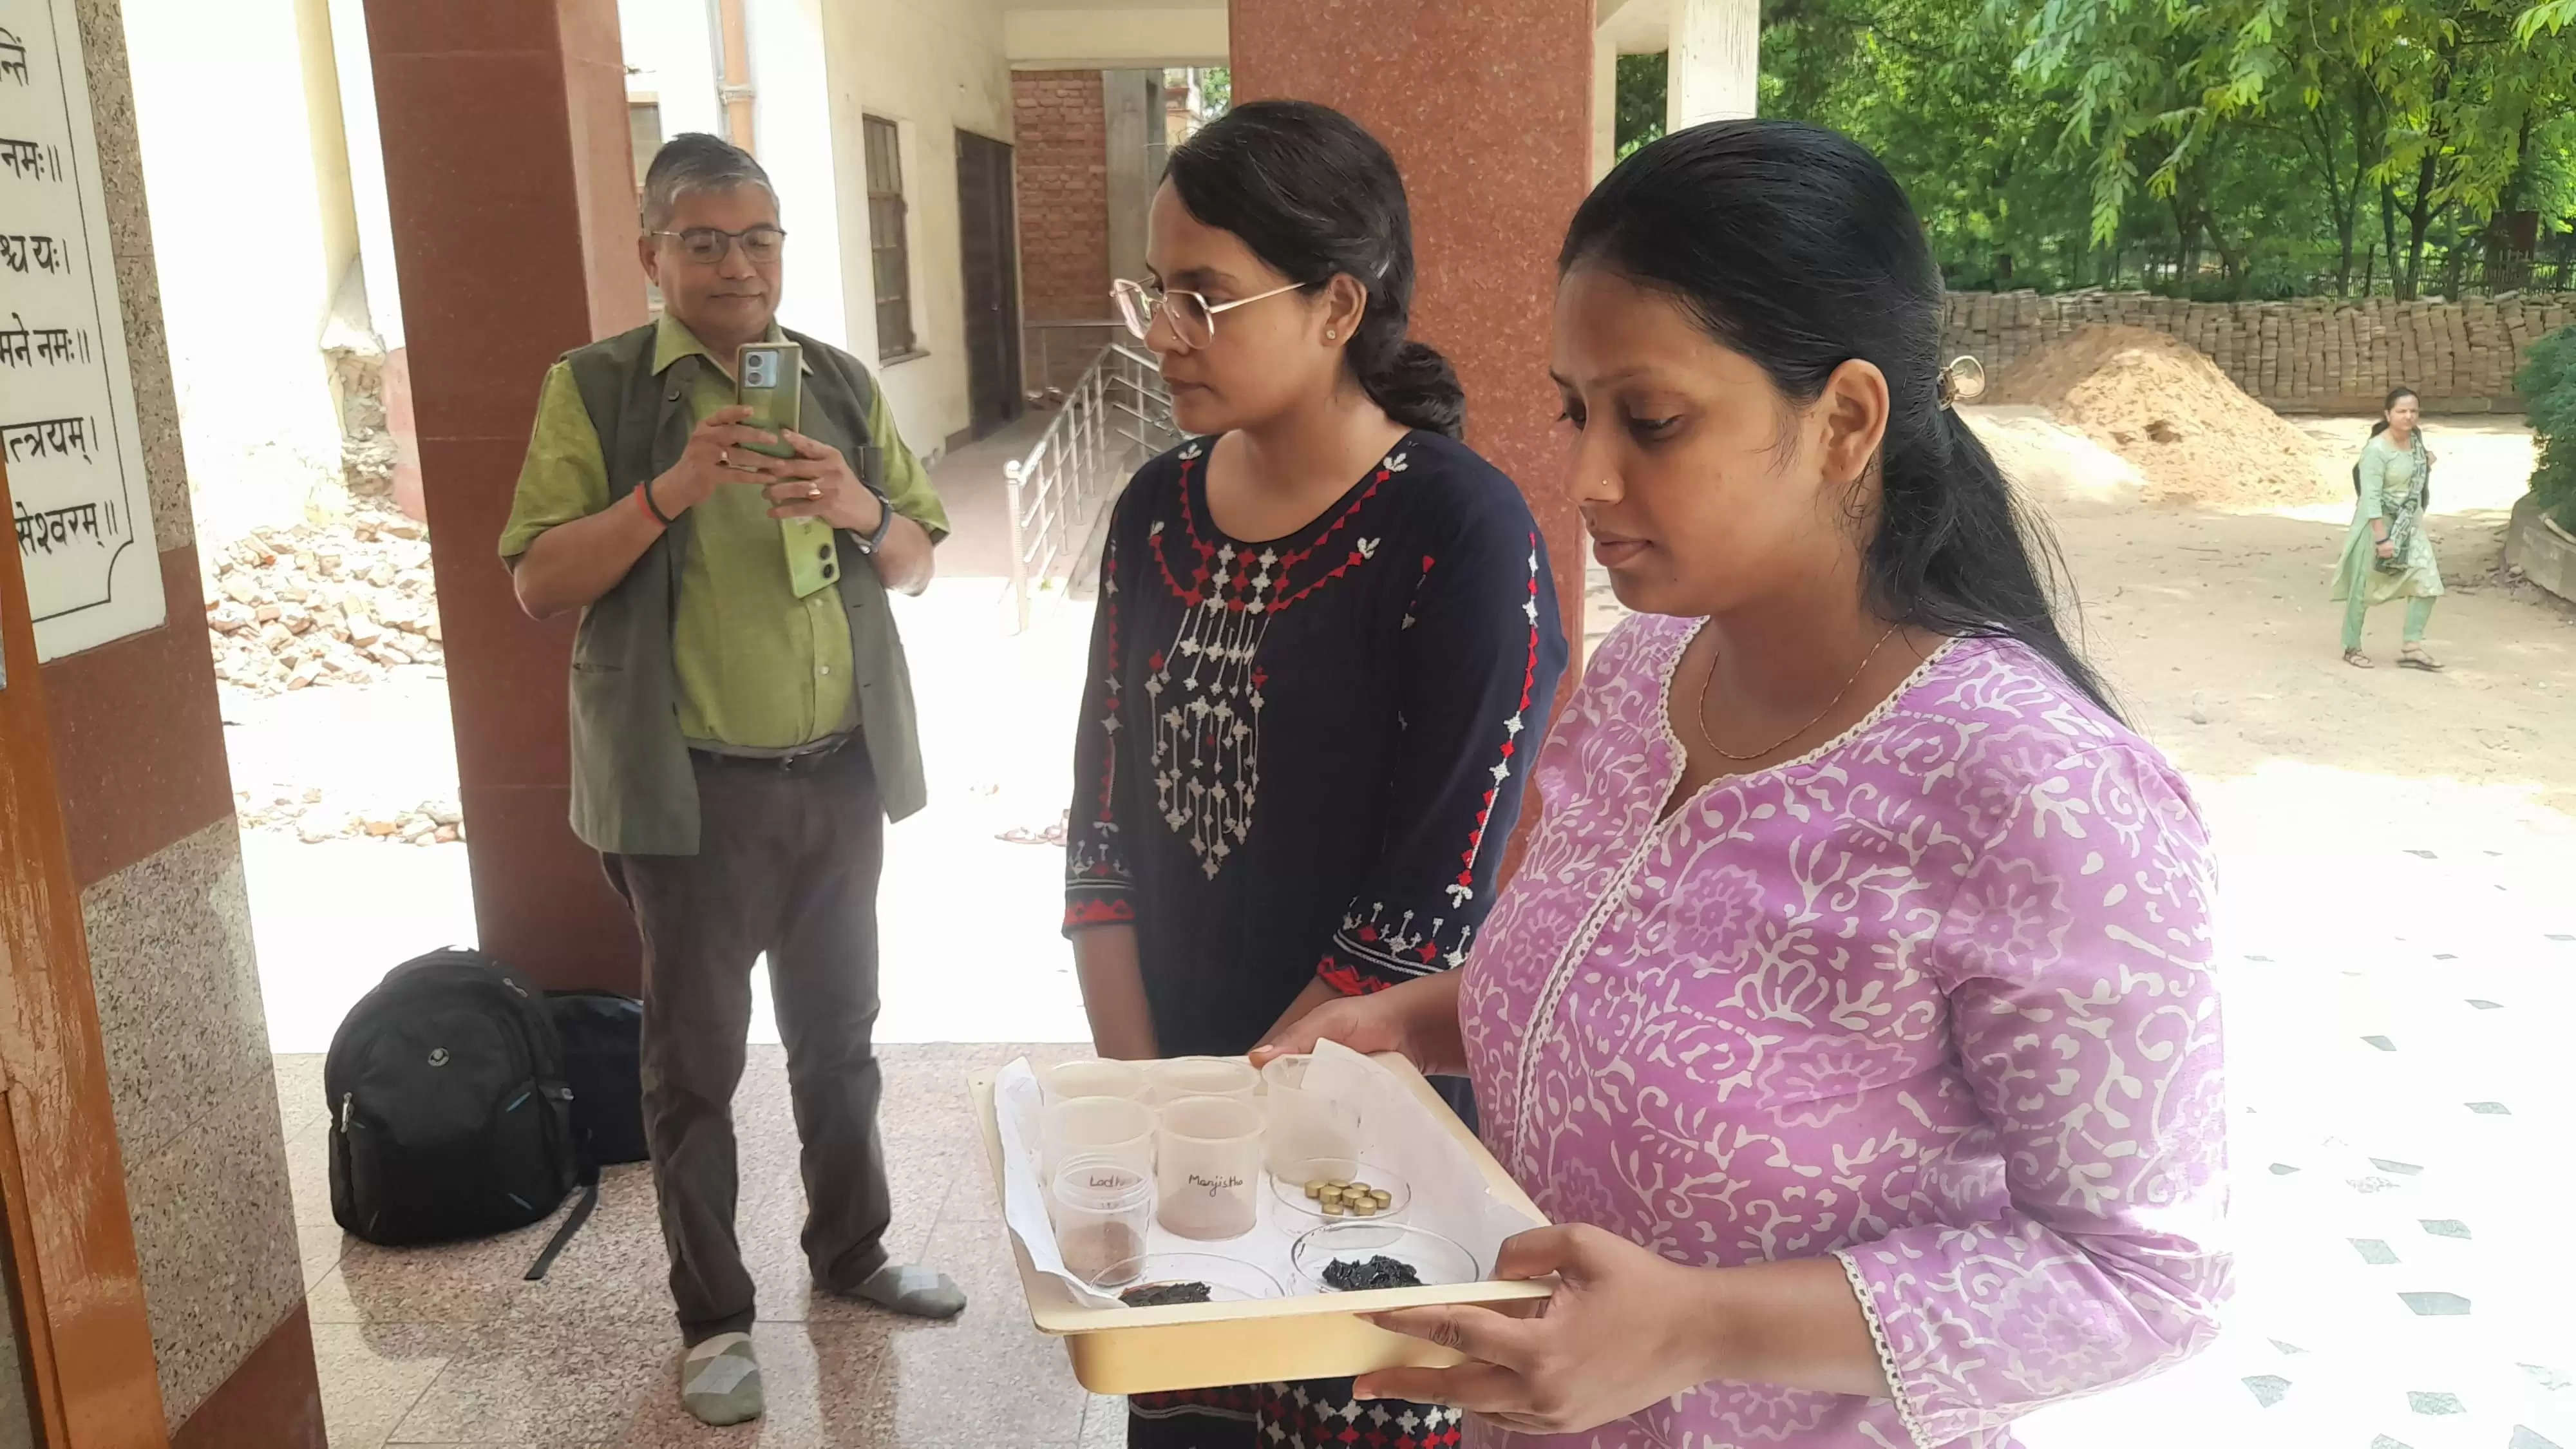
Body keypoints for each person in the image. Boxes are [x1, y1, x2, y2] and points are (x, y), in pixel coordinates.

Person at [1258, 119, 2229, 1448]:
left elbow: (2145, 1277)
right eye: (1573, 409)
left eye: (1649, 420)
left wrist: (1704, 1325)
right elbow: (1624, 979)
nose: (1586, 476)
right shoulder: (1643, 674)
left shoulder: (2039, 794)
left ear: (1841, 421)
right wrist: (1420, 1020)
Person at [1063, 100, 1569, 1448]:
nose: (1160, 332)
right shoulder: (1151, 509)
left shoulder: (1457, 532)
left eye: (1202, 298)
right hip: (1178, 1111)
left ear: (1338, 303)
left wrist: (1237, 1105)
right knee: (1183, 1419)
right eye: (1151, 291)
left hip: (1364, 1120)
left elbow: (1430, 900)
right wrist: (1154, 1099)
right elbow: (1101, 830)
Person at [498, 133, 962, 1428]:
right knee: (692, 1066)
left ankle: (853, 1253)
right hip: (690, 795)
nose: (737, 264)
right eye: (703, 240)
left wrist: (861, 511)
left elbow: (919, 555)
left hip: (836, 778)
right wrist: (672, 487)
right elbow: (538, 581)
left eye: (759, 238)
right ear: (651, 253)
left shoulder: (831, 381)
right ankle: (712, 1320)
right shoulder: (593, 390)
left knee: (840, 1039)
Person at [2335, 386, 2445, 670]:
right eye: (2401, 411)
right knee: (2363, 589)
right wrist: (2381, 538)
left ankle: (2412, 646)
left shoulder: (2416, 442)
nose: (2409, 417)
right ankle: (2352, 646)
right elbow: (2370, 496)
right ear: (2388, 414)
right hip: (2378, 525)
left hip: (2409, 525)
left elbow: (2418, 472)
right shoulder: (2376, 450)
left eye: (2414, 411)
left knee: (2428, 582)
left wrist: (2427, 463)